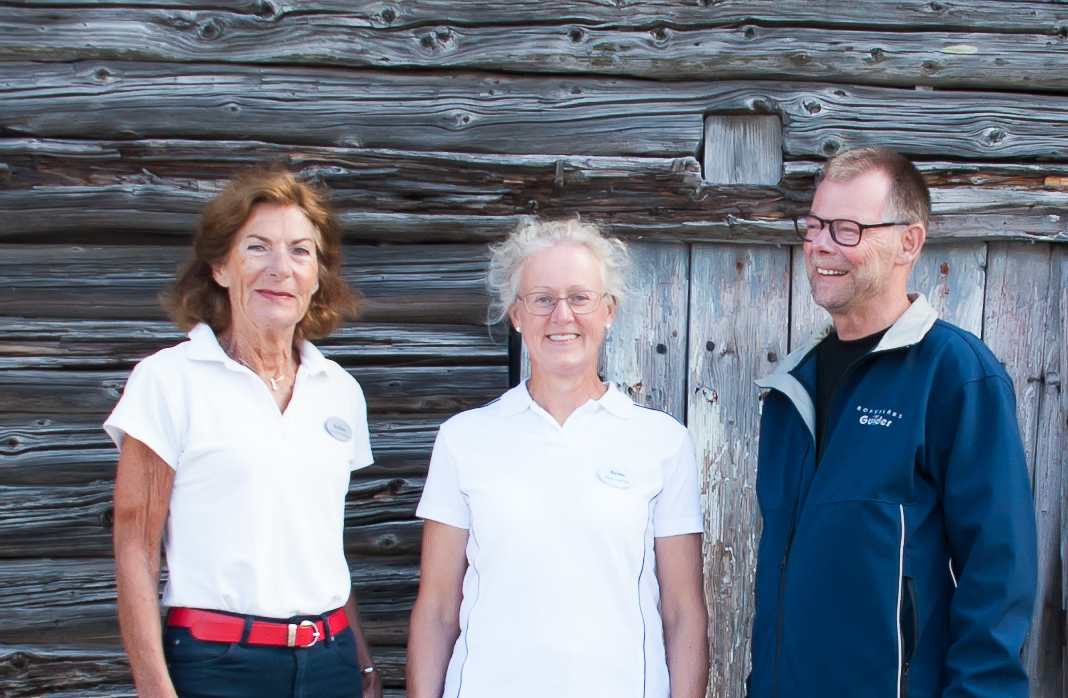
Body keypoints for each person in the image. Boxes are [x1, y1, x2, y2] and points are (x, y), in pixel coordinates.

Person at [748, 148, 1037, 697]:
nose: (820, 246)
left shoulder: (956, 374)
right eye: (813, 227)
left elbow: (999, 572)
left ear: (909, 241)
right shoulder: (789, 390)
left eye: (847, 229)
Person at [106, 170, 382, 698]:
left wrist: (364, 666)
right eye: (258, 247)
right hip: (218, 665)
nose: (281, 269)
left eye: (301, 252)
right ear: (220, 267)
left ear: (318, 275)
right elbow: (135, 549)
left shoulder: (339, 389)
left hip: (331, 662)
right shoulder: (169, 380)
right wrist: (154, 688)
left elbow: (319, 543)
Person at [407, 218, 709, 698]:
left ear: (608, 310)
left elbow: (683, 611)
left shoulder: (662, 442)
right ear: (517, 314)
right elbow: (438, 609)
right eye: (542, 299)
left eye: (580, 297)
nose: (561, 316)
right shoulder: (464, 439)